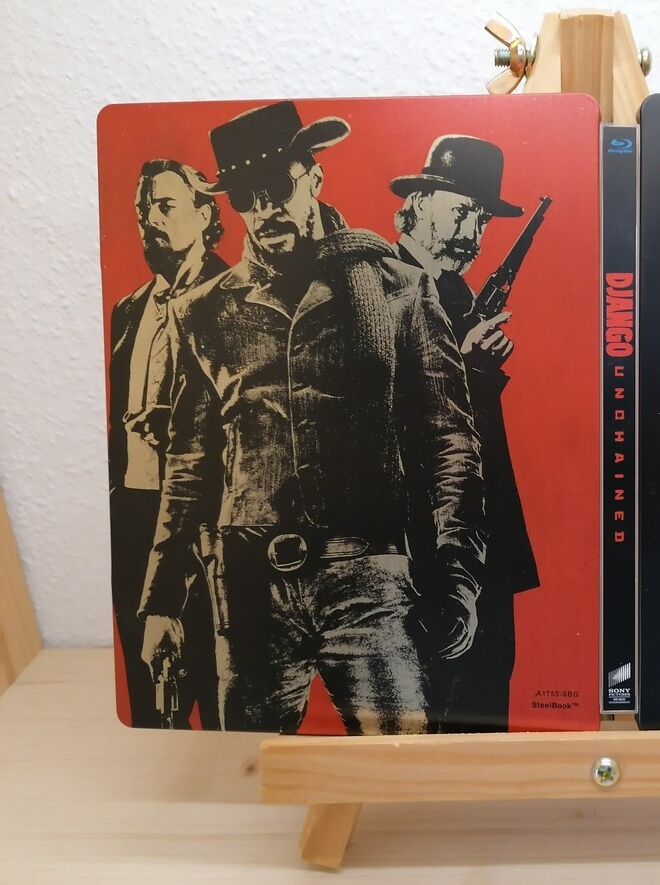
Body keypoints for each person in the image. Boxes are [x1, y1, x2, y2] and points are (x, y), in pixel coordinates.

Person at [138, 102, 486, 734]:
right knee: (246, 771)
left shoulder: (398, 289)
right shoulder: (201, 313)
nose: (264, 210)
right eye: (245, 197)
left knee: (402, 763)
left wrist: (458, 575)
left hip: (371, 580)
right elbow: (188, 465)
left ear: (314, 178)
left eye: (277, 187)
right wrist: (162, 603)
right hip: (246, 591)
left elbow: (449, 444)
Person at [390, 134, 540, 731]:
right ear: (417, 205)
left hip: (485, 538)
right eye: (460, 212)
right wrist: (471, 368)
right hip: (423, 543)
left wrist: (479, 373)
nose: (471, 233)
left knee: (488, 698)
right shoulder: (382, 286)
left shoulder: (454, 289)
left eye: (481, 219)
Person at [108, 159, 226, 728]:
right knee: (146, 690)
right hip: (133, 513)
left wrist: (178, 422)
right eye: (142, 211)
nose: (150, 222)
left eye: (166, 207)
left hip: (208, 522)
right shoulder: (129, 310)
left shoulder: (236, 297)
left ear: (205, 214)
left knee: (217, 685)